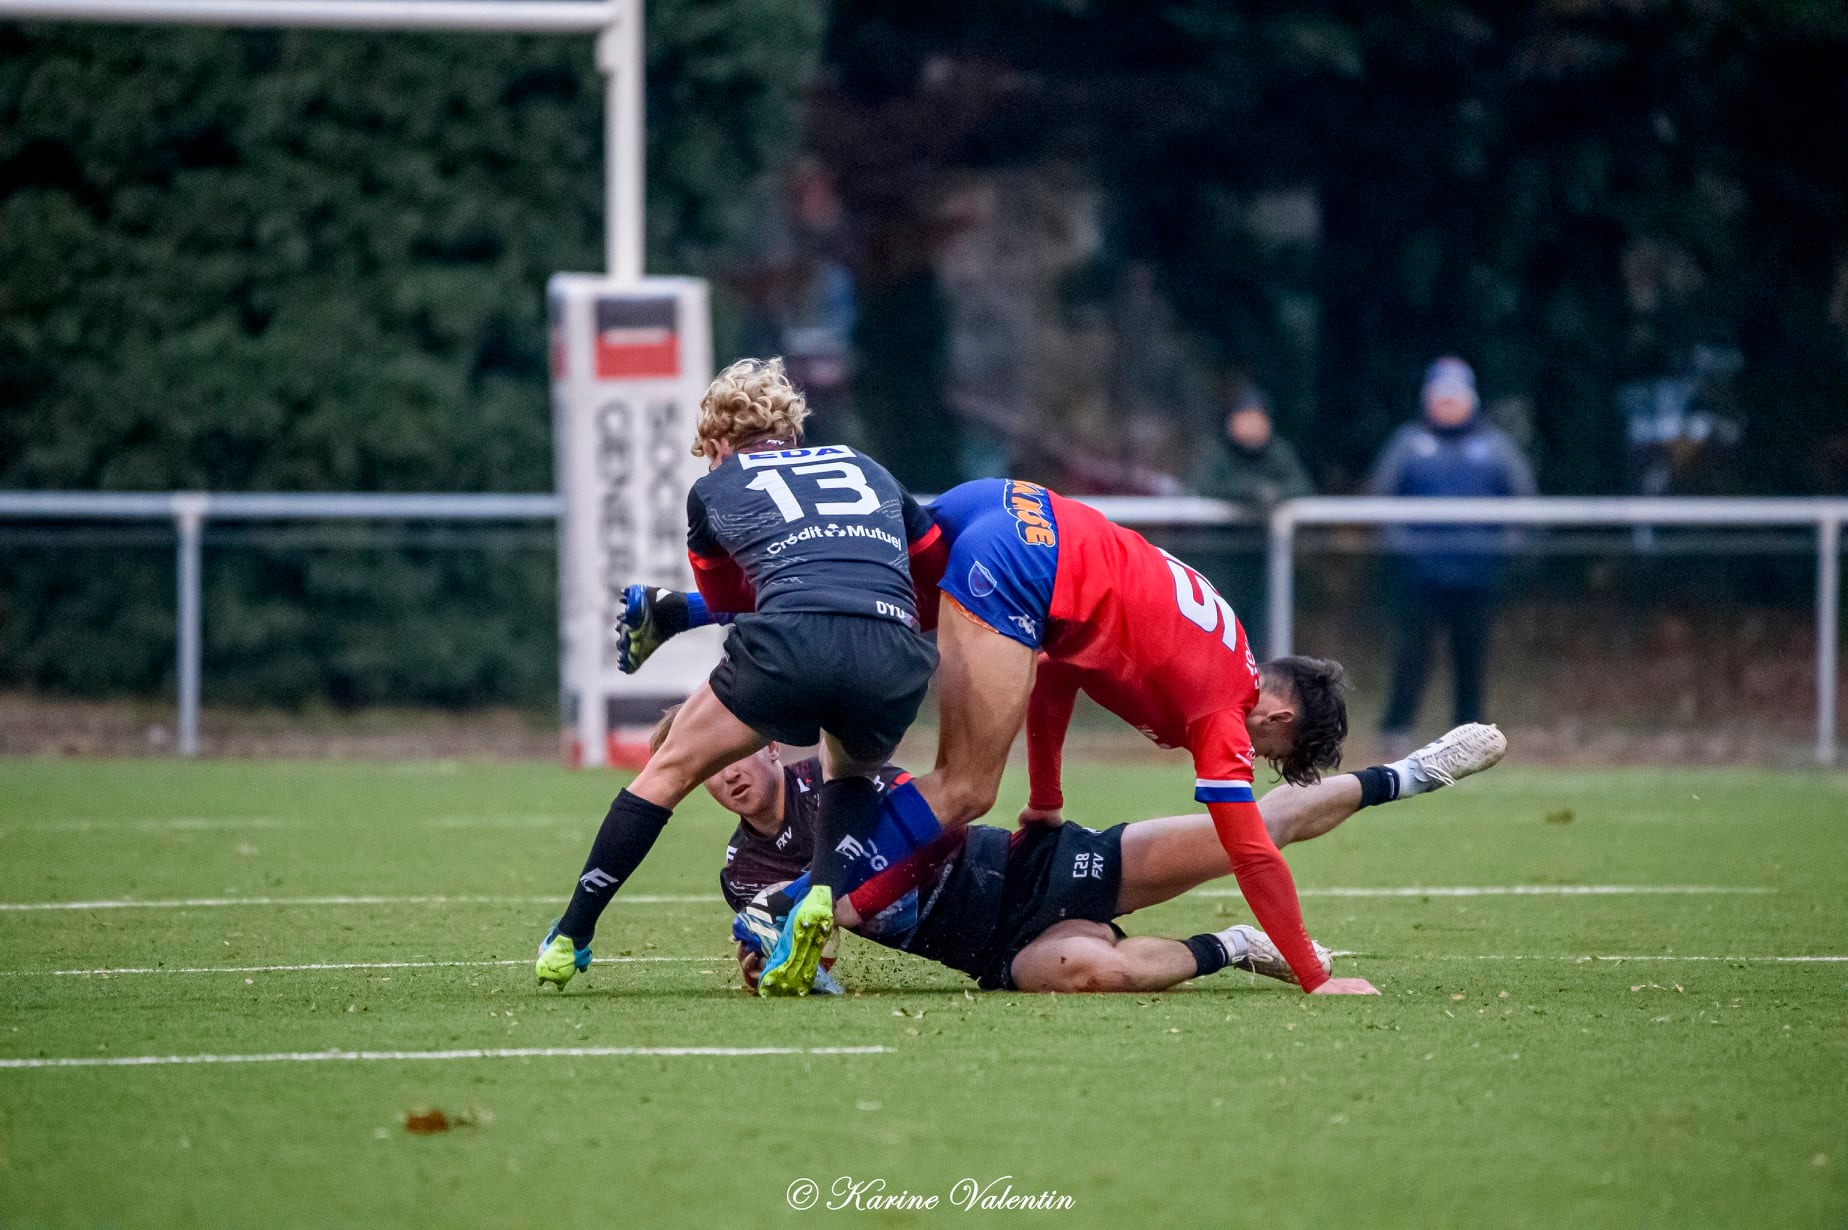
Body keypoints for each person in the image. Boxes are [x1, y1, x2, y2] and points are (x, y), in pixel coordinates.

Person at [633, 477, 1377, 995]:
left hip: (1003, 504)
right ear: (1280, 719)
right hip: (1025, 558)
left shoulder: (1225, 637)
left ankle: (686, 609)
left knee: (857, 603)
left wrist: (1047, 803)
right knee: (964, 789)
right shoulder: (1225, 710)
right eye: (1277, 755)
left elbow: (1057, 669)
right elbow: (1248, 844)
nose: (1260, 760)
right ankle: (794, 899)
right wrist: (1315, 974)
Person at [533, 357, 945, 990]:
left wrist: (682, 611)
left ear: (719, 445)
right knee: (850, 765)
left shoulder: (716, 487)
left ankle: (571, 936)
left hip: (793, 644)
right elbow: (927, 569)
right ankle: (817, 899)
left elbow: (736, 599)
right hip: (894, 651)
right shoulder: (867, 467)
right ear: (793, 434)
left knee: (667, 769)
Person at [668, 701, 1507, 995]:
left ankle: (1414, 772)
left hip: (1033, 865)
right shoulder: (742, 875)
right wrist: (779, 965)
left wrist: (850, 904)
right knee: (1097, 976)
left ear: (765, 746)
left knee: (1251, 824)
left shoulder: (840, 776)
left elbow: (944, 827)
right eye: (708, 771)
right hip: (999, 951)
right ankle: (1237, 946)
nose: (727, 777)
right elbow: (807, 964)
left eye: (730, 756)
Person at [1368, 357, 1537, 754]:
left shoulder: (1495, 447)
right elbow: (1380, 499)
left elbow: (1523, 502)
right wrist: (1403, 549)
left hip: (1477, 575)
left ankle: (1471, 737)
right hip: (1420, 576)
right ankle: (1396, 731)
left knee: (1472, 660)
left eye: (1455, 397)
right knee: (1412, 657)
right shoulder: (1409, 444)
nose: (1448, 405)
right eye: (1440, 397)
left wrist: (1506, 551)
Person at [1189, 386, 1313, 650]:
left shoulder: (1278, 452)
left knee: (1257, 641)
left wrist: (1266, 495)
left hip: (1264, 563)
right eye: (1245, 415)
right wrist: (1257, 493)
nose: (1252, 424)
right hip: (1221, 565)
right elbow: (1205, 487)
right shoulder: (1216, 453)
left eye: (1258, 416)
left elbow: (1301, 486)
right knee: (1217, 639)